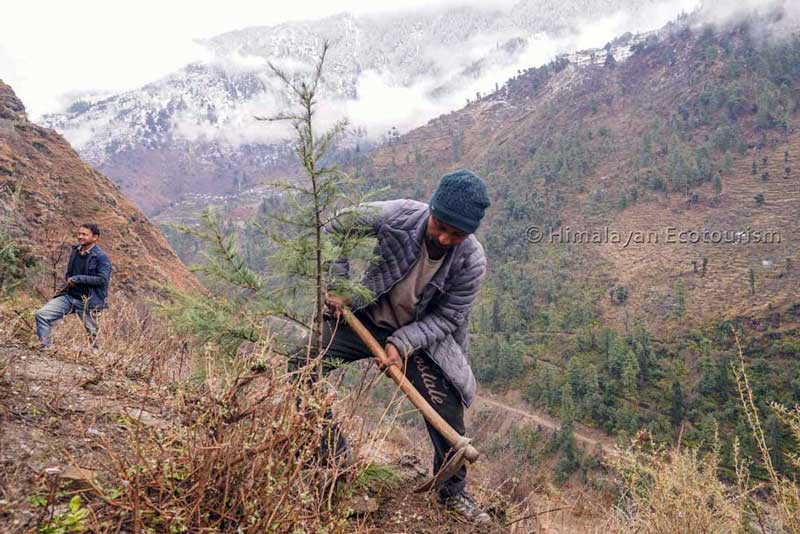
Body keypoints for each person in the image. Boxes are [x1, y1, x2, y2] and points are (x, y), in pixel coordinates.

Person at [290, 169, 492, 524]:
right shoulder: (398, 216)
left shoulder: (471, 262)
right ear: (431, 209)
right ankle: (334, 462)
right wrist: (338, 283)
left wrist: (402, 344)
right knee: (301, 365)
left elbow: (446, 319)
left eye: (456, 234)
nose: (444, 238)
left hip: (421, 339)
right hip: (365, 316)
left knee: (447, 409)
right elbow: (336, 224)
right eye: (440, 226)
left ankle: (452, 492)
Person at [35, 223, 112, 351]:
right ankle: (44, 347)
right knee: (42, 314)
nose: (80, 237)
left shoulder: (101, 257)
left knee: (93, 334)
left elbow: (102, 280)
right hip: (69, 296)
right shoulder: (75, 250)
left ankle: (96, 359)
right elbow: (70, 273)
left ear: (95, 237)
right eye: (79, 233)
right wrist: (68, 281)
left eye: (84, 234)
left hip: (89, 301)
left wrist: (78, 279)